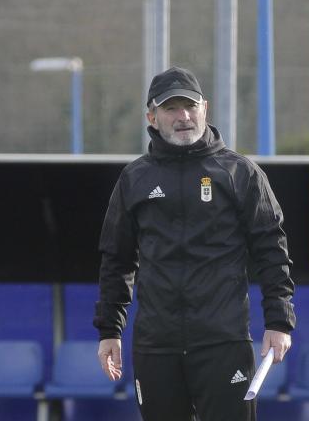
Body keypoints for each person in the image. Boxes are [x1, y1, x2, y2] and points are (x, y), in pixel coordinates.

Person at [93, 66, 296, 421]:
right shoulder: (135, 178)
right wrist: (110, 330)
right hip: (157, 345)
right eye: (171, 108)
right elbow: (117, 259)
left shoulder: (240, 173)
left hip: (223, 342)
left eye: (190, 106)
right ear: (152, 117)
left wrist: (279, 321)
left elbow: (272, 249)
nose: (183, 116)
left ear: (205, 108)